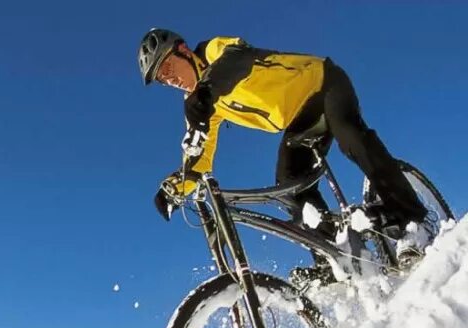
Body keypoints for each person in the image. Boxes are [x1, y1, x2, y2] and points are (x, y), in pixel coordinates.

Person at [138, 28, 430, 274]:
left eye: (166, 68)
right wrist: (176, 186)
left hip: (323, 84)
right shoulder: (203, 105)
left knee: (351, 137)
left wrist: (205, 92)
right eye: (162, 79)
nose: (169, 79)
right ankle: (338, 257)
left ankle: (410, 219)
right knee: (289, 186)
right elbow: (200, 159)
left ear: (183, 50)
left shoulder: (214, 52)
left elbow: (237, 59)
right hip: (298, 121)